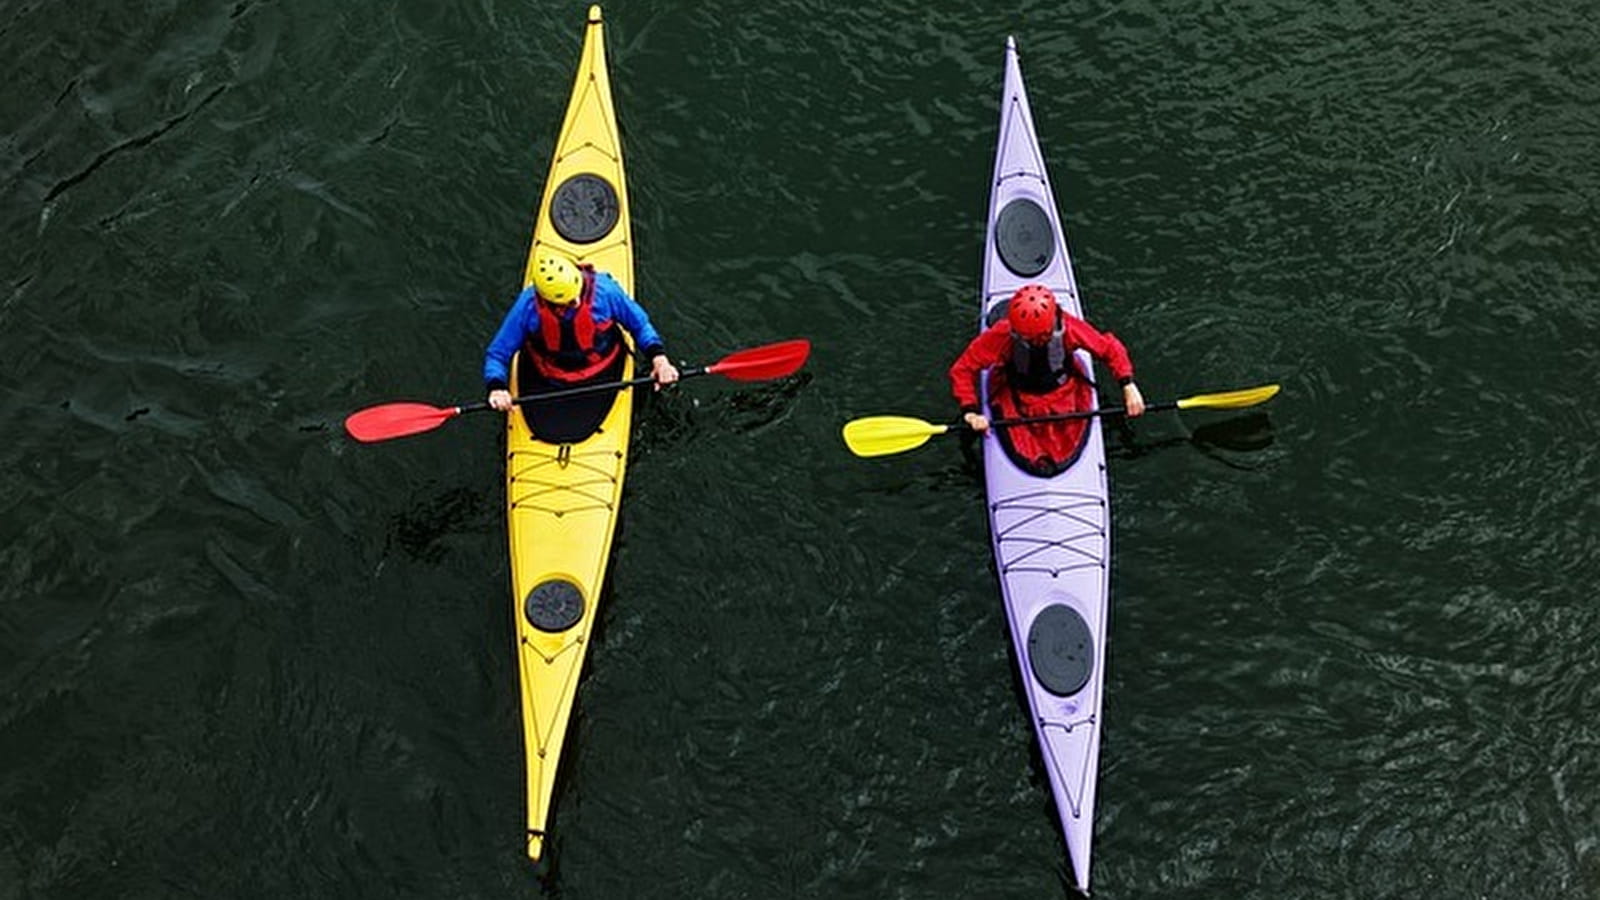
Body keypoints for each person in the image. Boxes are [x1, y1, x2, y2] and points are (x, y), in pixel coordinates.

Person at [948, 283, 1145, 473]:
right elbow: (962, 369)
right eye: (1025, 338)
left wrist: (1127, 384)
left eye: (1037, 338)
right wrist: (970, 411)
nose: (1033, 342)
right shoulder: (1002, 334)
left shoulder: (1070, 327)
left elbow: (1110, 349)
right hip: (1018, 397)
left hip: (1064, 395)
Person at [484, 251, 679, 411]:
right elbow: (497, 355)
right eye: (568, 303)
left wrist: (659, 359)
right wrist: (497, 388)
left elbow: (640, 325)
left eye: (576, 294)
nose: (577, 302)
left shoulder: (605, 291)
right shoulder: (527, 307)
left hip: (603, 372)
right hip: (550, 379)